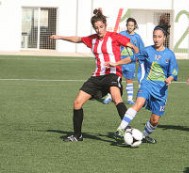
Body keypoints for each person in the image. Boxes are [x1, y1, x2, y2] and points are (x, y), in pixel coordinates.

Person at [49, 8, 139, 142]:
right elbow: (77, 39)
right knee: (77, 103)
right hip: (97, 76)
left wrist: (128, 57)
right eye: (96, 28)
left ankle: (128, 128)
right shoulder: (92, 39)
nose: (99, 30)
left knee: (116, 97)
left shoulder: (115, 36)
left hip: (113, 75)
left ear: (105, 25)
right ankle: (77, 135)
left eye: (101, 27)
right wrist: (60, 37)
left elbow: (133, 47)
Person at [106, 24, 178, 144]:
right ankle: (120, 129)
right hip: (147, 85)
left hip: (161, 90)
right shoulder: (147, 51)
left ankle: (143, 136)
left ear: (164, 38)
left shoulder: (170, 54)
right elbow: (132, 58)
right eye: (154, 36)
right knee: (138, 104)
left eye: (159, 37)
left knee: (154, 120)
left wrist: (169, 78)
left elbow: (174, 71)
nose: (156, 39)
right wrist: (116, 63)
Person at [102, 17, 145, 105]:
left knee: (129, 79)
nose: (130, 27)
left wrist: (139, 58)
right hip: (120, 61)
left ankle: (129, 99)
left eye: (132, 25)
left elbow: (141, 49)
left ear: (134, 26)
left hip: (130, 63)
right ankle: (109, 96)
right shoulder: (121, 34)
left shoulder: (137, 37)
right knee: (115, 79)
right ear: (126, 26)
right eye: (129, 25)